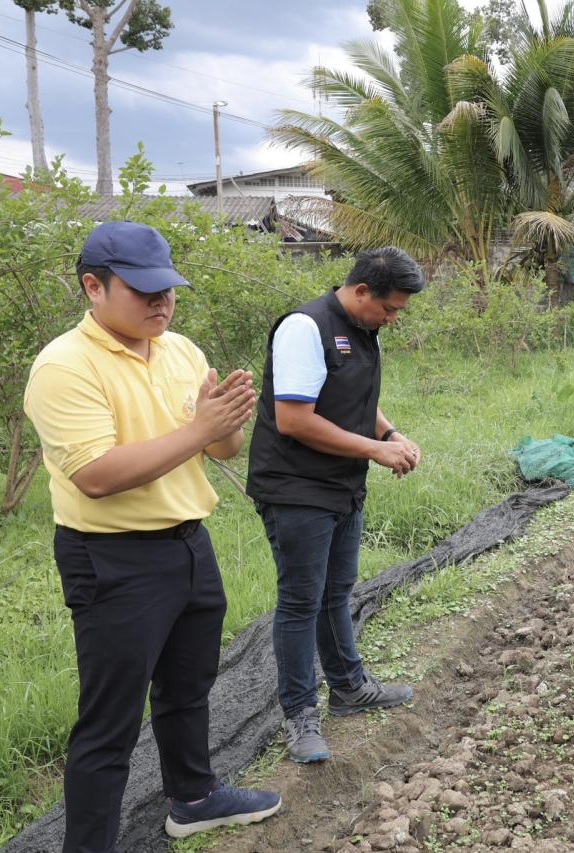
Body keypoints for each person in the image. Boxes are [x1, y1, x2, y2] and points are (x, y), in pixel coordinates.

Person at [23, 220, 282, 852]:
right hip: (112, 558)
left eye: (167, 289)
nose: (160, 303)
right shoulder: (64, 366)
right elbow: (96, 476)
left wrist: (222, 421)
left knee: (188, 686)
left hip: (189, 543)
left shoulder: (180, 350)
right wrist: (199, 431)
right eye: (143, 292)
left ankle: (194, 798)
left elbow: (220, 445)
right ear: (93, 287)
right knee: (109, 721)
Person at [246, 246, 425, 764]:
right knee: (301, 600)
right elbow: (295, 420)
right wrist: (375, 450)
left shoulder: (363, 329)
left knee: (338, 590)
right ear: (362, 290)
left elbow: (355, 400)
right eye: (389, 308)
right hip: (296, 487)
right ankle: (300, 714)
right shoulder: (305, 328)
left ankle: (348, 686)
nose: (392, 319)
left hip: (341, 485)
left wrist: (389, 432)